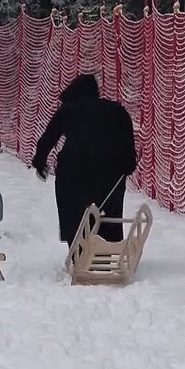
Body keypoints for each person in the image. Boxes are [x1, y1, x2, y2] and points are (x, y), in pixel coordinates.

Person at [32, 74, 137, 244]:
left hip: (73, 170)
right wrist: (127, 165)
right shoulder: (116, 110)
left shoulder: (68, 109)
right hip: (111, 171)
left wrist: (40, 162)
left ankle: (78, 249)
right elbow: (127, 140)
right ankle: (108, 247)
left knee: (74, 212)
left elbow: (48, 138)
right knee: (109, 211)